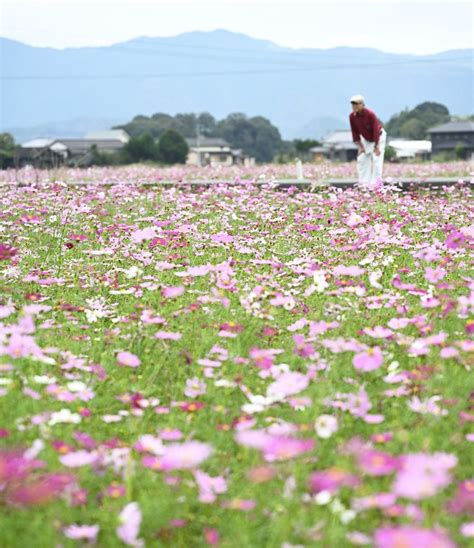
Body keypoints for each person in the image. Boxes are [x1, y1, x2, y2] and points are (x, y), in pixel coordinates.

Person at [349, 94, 387, 185]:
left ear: (362, 104)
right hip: (366, 139)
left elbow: (375, 130)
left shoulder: (370, 114)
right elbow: (355, 132)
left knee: (377, 160)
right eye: (353, 104)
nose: (354, 106)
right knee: (362, 159)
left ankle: (376, 184)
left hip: (378, 137)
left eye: (357, 104)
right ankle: (364, 183)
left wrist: (376, 146)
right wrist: (360, 146)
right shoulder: (352, 116)